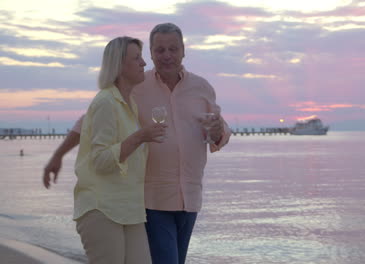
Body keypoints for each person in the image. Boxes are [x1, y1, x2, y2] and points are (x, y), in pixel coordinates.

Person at [43, 23, 231, 264]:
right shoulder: (136, 85)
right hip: (151, 198)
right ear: (151, 53)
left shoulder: (202, 88)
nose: (166, 56)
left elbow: (218, 130)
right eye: (159, 50)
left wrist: (218, 132)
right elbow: (88, 121)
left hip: (191, 197)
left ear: (184, 50)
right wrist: (58, 156)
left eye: (173, 49)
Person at [72, 36, 166, 263]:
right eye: (137, 58)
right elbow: (101, 160)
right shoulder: (105, 102)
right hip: (101, 208)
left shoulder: (129, 104)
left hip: (129, 208)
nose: (144, 63)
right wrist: (140, 136)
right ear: (119, 65)